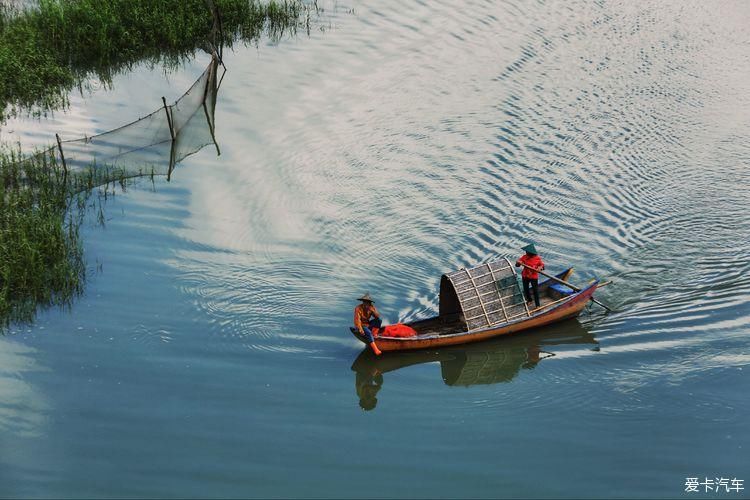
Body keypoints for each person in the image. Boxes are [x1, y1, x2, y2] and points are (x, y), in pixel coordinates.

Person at [515, 243, 545, 308]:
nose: (526, 253)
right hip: (525, 275)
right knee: (526, 289)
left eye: (527, 252)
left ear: (531, 253)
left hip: (533, 277)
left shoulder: (537, 258)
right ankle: (529, 300)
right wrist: (518, 263)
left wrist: (540, 268)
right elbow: (517, 265)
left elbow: (542, 266)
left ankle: (537, 305)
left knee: (535, 290)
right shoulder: (524, 257)